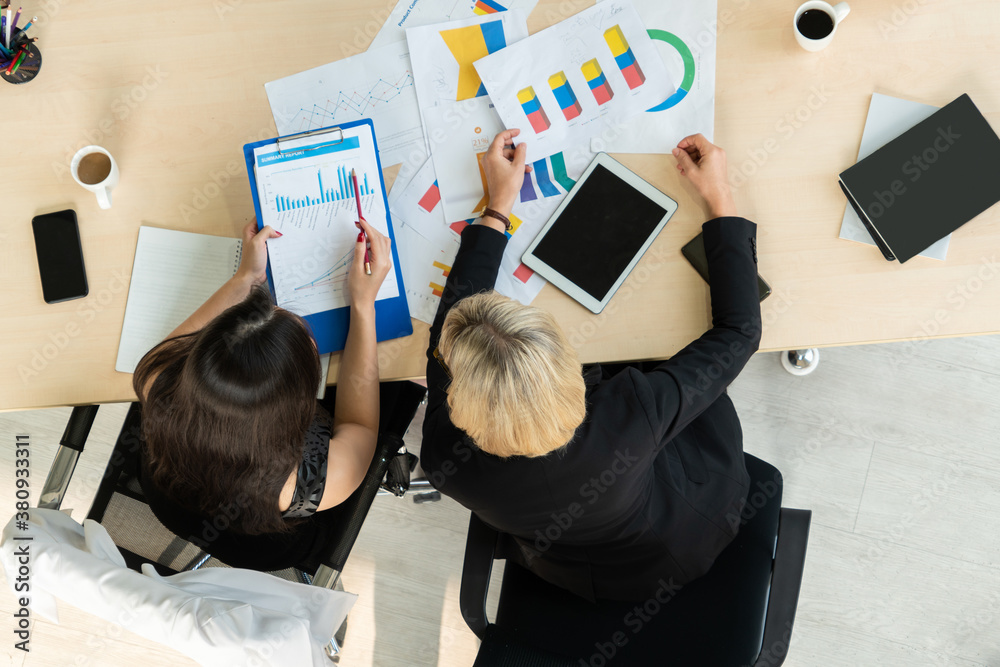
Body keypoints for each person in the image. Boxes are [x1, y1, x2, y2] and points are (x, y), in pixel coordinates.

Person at [420, 130, 762, 602]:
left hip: (579, 571)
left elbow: (447, 342)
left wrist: (498, 204)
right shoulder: (629, 416)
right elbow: (739, 333)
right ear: (567, 372)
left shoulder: (443, 457)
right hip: (685, 533)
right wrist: (720, 197)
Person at [133, 217, 392, 539]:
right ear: (300, 401)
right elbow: (359, 426)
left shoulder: (158, 378)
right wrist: (364, 304)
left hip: (168, 503)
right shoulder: (321, 480)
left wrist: (249, 277)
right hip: (263, 541)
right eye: (309, 347)